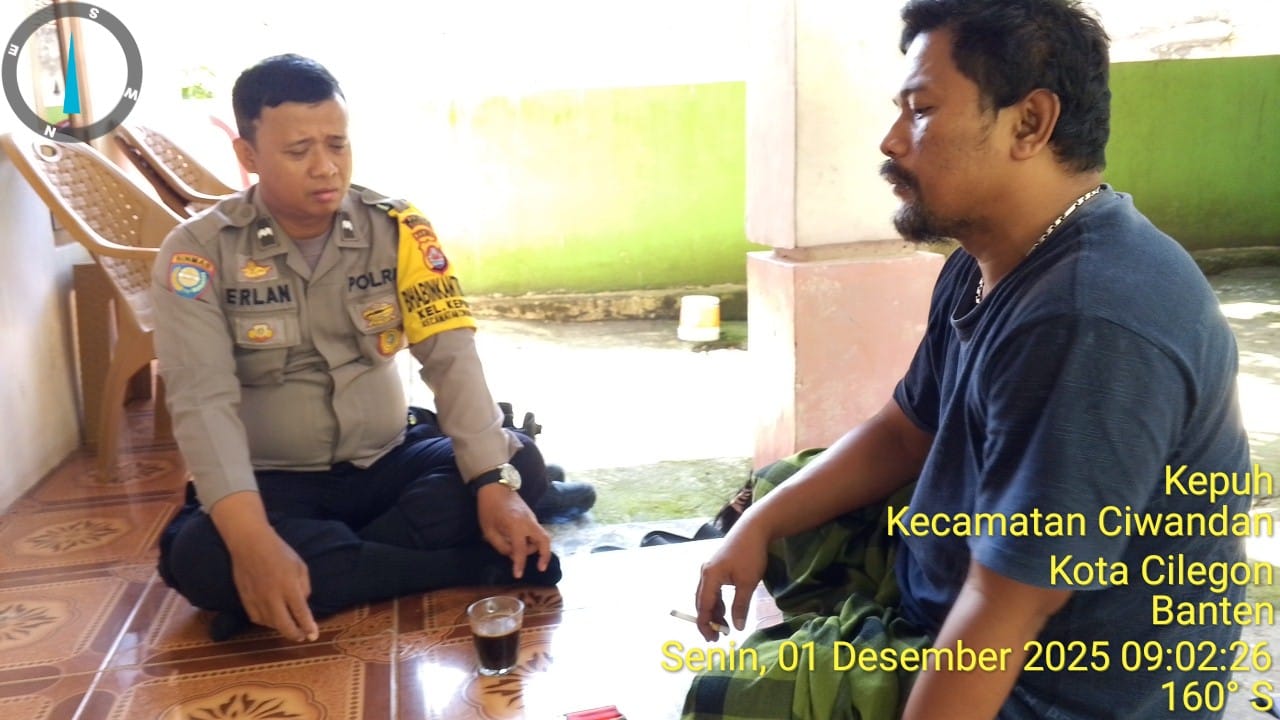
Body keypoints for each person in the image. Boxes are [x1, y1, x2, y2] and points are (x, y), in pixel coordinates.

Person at [688, 1, 1253, 719]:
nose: (892, 140)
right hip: (970, 589)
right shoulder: (989, 255)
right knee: (777, 493)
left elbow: (1004, 610)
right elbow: (903, 432)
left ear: (1030, 123)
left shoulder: (1086, 321)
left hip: (1056, 687)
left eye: (922, 111)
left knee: (726, 699)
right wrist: (757, 526)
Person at [152, 54, 591, 643]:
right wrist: (252, 541)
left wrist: (493, 484)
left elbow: (451, 357)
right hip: (273, 482)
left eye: (337, 144)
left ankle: (318, 576)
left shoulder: (398, 230)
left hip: (388, 461)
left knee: (517, 464)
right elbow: (202, 403)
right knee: (201, 555)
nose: (325, 167)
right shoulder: (198, 254)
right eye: (298, 150)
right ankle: (457, 566)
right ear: (248, 155)